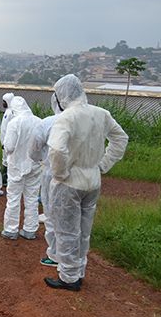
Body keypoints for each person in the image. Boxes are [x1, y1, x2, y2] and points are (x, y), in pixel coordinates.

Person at [44, 74, 128, 291]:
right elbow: (121, 138)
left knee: (66, 231)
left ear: (62, 95)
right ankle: (78, 271)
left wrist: (60, 173)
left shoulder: (67, 117)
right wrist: (102, 164)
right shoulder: (101, 114)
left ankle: (68, 277)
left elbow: (56, 149)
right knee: (83, 230)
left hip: (70, 183)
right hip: (93, 180)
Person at [1, 97, 42, 240]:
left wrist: (6, 148)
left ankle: (11, 229)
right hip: (35, 165)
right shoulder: (39, 121)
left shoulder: (14, 123)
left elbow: (9, 147)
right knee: (32, 198)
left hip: (17, 166)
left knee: (13, 197)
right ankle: (30, 229)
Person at [29, 94, 62, 266]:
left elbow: (34, 151)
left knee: (51, 214)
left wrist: (42, 158)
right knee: (74, 218)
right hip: (80, 176)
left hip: (53, 174)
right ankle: (74, 261)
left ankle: (55, 255)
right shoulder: (87, 119)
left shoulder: (48, 122)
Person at [0, 92, 15, 187]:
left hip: (7, 142)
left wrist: (5, 142)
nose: (2, 103)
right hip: (5, 141)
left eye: (4, 101)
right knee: (5, 160)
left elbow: (8, 130)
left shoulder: (10, 113)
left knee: (7, 160)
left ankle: (5, 179)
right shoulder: (7, 111)